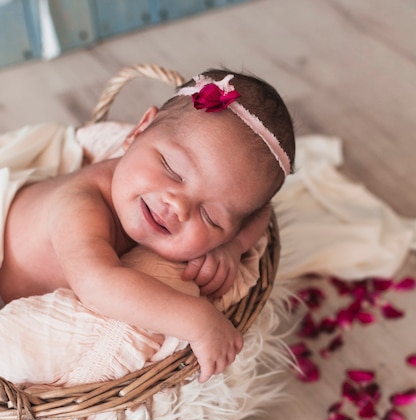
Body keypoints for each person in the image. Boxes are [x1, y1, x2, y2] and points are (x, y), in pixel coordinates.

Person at [0, 69, 295, 383]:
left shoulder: (166, 205)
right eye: (171, 170)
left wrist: (233, 245)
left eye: (210, 216)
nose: (178, 206)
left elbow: (260, 213)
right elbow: (97, 285)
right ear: (138, 131)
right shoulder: (80, 204)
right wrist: (198, 320)